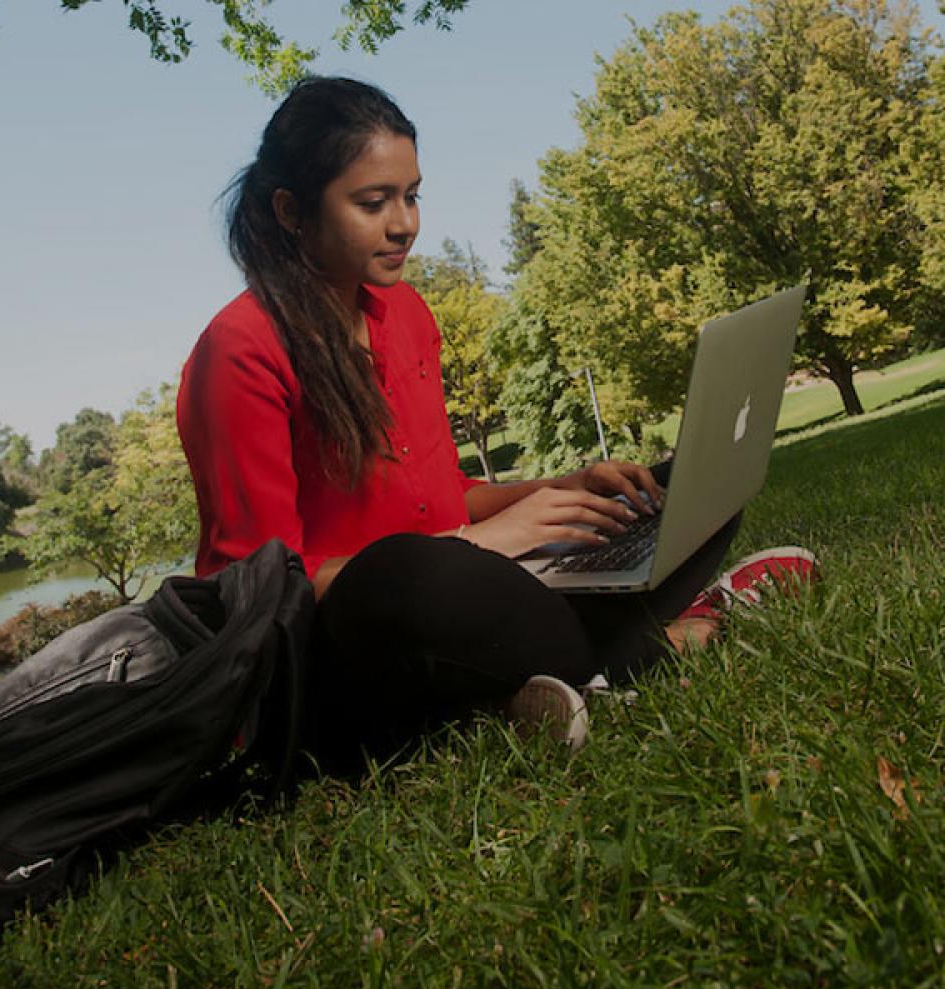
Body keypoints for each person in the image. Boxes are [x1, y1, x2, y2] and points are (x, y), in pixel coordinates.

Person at [176, 77, 815, 762]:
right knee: (410, 578)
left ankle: (548, 682)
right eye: (373, 202)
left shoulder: (407, 317)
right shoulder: (239, 352)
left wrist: (559, 491)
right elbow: (259, 594)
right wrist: (479, 545)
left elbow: (445, 496)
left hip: (468, 593)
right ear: (291, 212)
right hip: (348, 639)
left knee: (675, 490)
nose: (405, 224)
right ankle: (666, 638)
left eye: (412, 195)